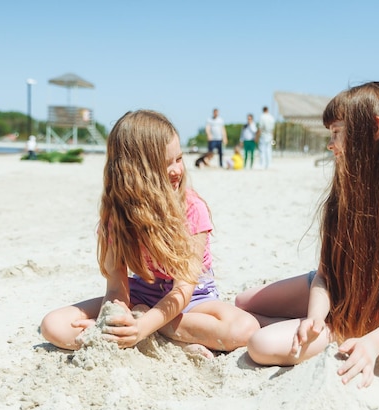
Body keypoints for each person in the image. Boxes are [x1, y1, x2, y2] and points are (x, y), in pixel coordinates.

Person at [235, 82, 379, 388]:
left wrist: (372, 343)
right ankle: (302, 324)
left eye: (337, 131)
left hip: (377, 318)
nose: (332, 144)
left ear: (375, 129)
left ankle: (299, 328)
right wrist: (315, 317)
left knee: (260, 345)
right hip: (338, 292)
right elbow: (326, 275)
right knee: (243, 302)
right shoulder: (348, 190)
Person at [40, 110, 259, 357]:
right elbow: (116, 290)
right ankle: (164, 333)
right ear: (134, 171)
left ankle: (155, 327)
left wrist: (143, 324)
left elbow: (183, 291)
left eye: (179, 158)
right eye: (165, 164)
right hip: (142, 292)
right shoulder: (117, 217)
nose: (177, 170)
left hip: (193, 299)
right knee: (53, 326)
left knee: (245, 329)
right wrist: (112, 320)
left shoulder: (193, 209)